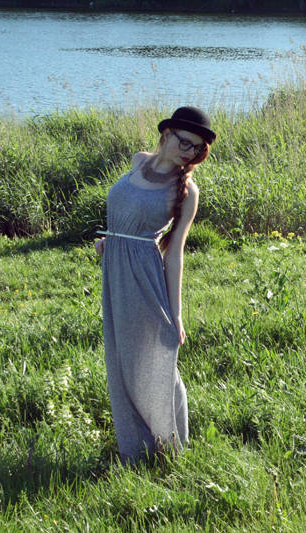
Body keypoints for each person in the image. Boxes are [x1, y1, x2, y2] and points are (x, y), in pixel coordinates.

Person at [94, 106, 216, 464]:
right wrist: (111, 240)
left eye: (197, 148)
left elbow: (174, 254)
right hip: (115, 267)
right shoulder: (138, 161)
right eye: (185, 142)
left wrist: (176, 315)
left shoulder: (187, 191)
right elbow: (126, 211)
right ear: (166, 134)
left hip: (144, 273)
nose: (190, 152)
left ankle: (172, 443)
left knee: (154, 356)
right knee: (122, 356)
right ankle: (136, 446)